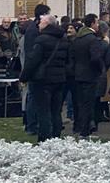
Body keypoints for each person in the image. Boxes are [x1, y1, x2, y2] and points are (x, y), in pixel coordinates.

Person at [20, 13, 69, 142]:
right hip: (59, 79)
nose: (38, 24)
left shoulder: (41, 40)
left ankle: (45, 138)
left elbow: (33, 61)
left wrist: (23, 77)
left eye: (41, 22)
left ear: (47, 24)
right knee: (55, 110)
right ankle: (56, 136)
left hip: (42, 80)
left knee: (43, 111)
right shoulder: (63, 39)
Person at [71, 13, 106, 138]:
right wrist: (100, 69)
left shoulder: (77, 39)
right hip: (90, 75)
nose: (98, 25)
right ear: (92, 24)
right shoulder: (92, 39)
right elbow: (95, 58)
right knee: (88, 104)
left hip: (78, 74)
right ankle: (85, 131)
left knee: (80, 103)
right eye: (96, 23)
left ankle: (79, 127)